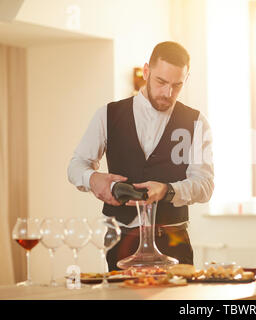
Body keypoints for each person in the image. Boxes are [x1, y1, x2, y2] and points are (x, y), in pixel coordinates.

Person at [67, 41, 214, 270]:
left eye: (177, 85)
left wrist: (168, 190)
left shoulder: (196, 122)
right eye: (161, 82)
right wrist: (93, 179)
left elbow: (205, 185)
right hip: (121, 241)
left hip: (174, 241)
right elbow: (76, 166)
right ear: (146, 71)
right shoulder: (108, 114)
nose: (168, 93)